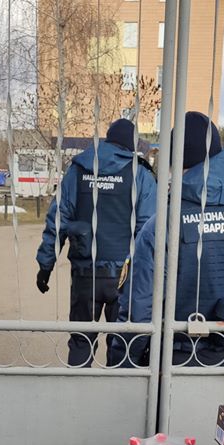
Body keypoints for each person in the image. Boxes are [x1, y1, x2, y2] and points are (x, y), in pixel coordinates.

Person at [107, 111, 224, 368]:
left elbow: (139, 309)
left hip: (173, 359)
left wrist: (123, 363)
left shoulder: (163, 224)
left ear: (176, 161)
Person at [35, 118, 157, 366]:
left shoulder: (79, 169)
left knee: (81, 341)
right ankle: (114, 388)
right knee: (122, 343)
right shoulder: (140, 175)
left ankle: (79, 388)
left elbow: (58, 219)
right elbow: (149, 230)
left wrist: (45, 265)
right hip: (125, 277)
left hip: (85, 274)